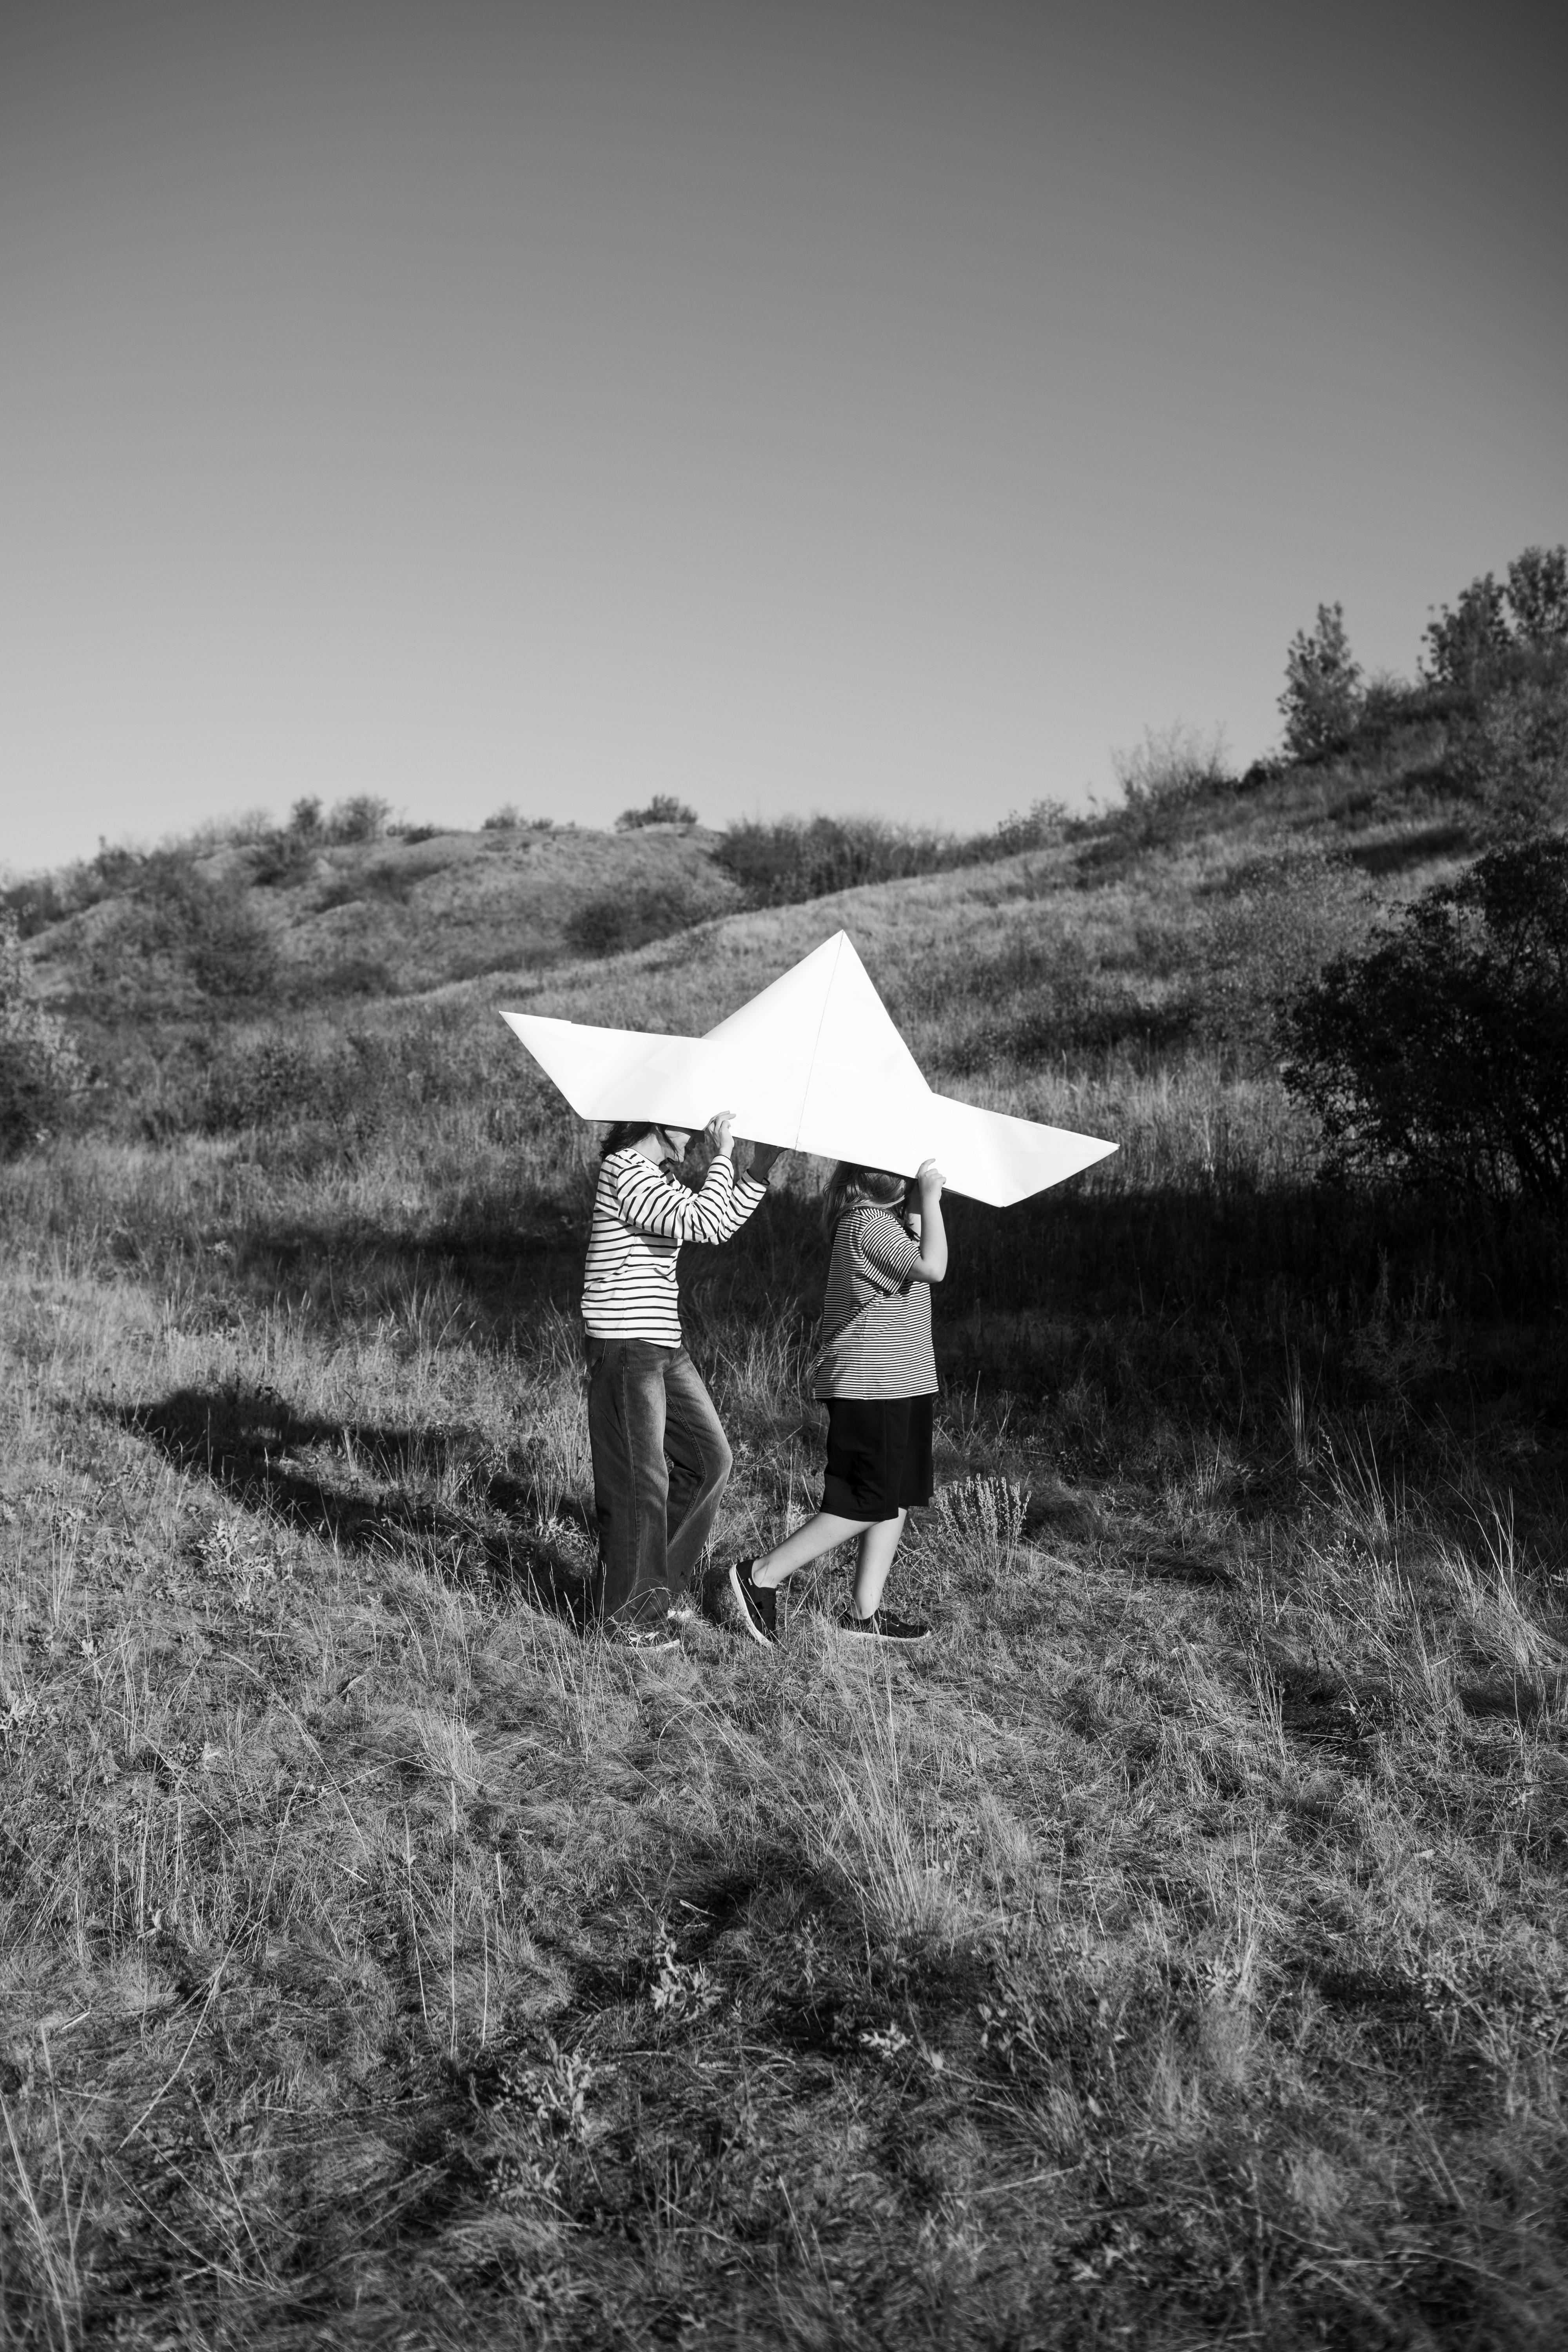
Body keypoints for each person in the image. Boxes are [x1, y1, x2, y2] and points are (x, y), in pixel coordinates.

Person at [704, 1155, 946, 1647]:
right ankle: (760, 1575)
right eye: (902, 1173)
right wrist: (935, 1199)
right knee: (864, 1500)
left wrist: (923, 1199)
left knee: (895, 1496)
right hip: (869, 1382)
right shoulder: (866, 1223)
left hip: (905, 1379)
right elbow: (933, 1266)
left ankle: (864, 1614)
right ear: (879, 1180)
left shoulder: (888, 1221)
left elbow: (919, 1243)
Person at [583, 1112, 783, 1648]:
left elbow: (710, 1217)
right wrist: (723, 1158)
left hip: (662, 1345)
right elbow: (706, 1223)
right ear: (657, 1120)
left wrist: (757, 1170)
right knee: (641, 1483)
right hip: (627, 1347)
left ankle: (656, 1592)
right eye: (688, 1122)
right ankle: (627, 1619)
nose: (696, 1133)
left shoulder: (660, 1177)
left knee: (710, 1459)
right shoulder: (625, 1171)